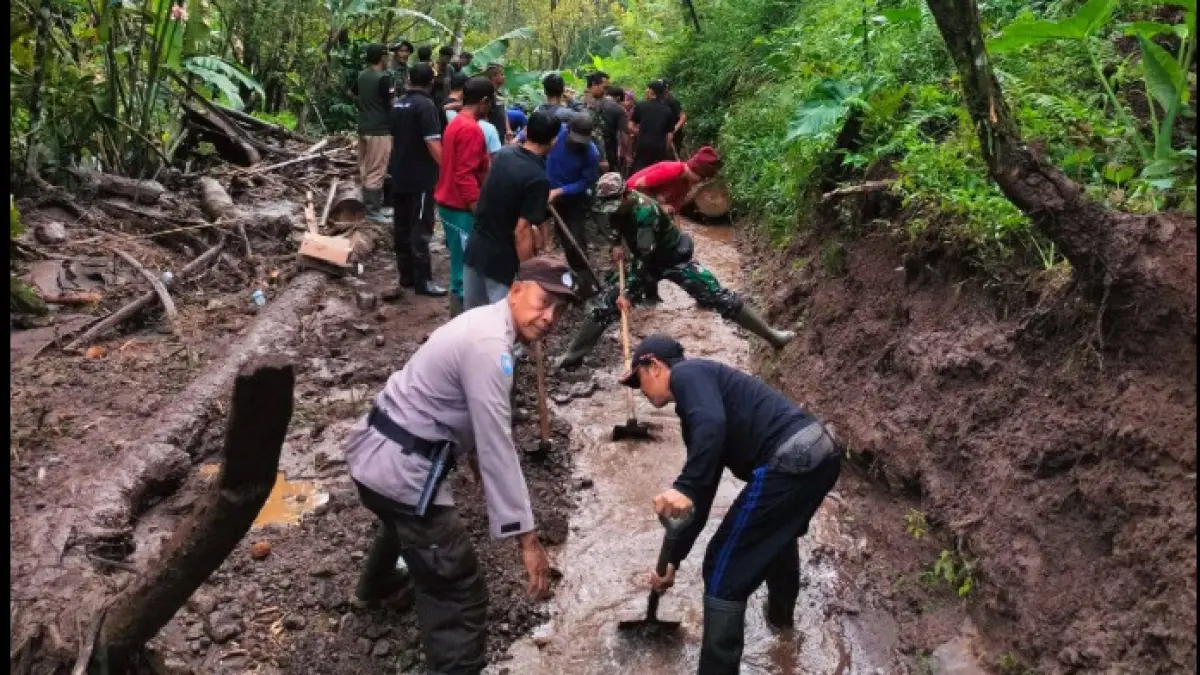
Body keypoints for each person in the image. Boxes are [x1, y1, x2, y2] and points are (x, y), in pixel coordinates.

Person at [345, 256, 578, 675]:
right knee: (459, 591)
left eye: (558, 311)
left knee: (402, 517)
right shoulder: (491, 348)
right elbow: (497, 444)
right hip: (399, 468)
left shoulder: (485, 323)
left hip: (372, 454)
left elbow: (463, 410)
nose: (549, 318)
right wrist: (528, 540)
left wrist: (471, 465)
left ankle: (375, 588)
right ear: (515, 289)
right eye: (544, 302)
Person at [618, 334, 841, 675]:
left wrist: (685, 485)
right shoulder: (706, 397)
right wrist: (673, 559)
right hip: (819, 452)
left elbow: (707, 445)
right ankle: (783, 628)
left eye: (639, 379)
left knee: (721, 566)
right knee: (776, 540)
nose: (640, 390)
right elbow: (702, 495)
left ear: (655, 366)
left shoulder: (688, 375)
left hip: (788, 458)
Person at [554, 173, 794, 369]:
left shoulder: (645, 212)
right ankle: (571, 358)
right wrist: (616, 244)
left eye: (615, 205)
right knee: (604, 307)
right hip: (644, 259)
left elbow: (644, 260)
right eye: (608, 207)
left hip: (671, 258)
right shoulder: (614, 207)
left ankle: (773, 337)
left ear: (626, 194)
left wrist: (626, 293)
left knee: (719, 297)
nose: (612, 210)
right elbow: (615, 225)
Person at [462, 111, 561, 310]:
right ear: (553, 141)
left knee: (473, 316)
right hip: (501, 261)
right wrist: (528, 275)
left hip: (476, 248)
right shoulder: (537, 178)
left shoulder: (505, 154)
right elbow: (521, 232)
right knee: (505, 322)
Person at [434, 76, 494, 317]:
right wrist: (477, 208)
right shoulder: (471, 130)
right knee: (464, 269)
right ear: (484, 101)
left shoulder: (457, 123)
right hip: (460, 208)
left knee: (462, 264)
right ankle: (461, 322)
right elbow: (465, 175)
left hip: (452, 204)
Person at [389, 63, 447, 298]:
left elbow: (392, 139)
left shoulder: (398, 104)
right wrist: (447, 168)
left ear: (410, 80)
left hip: (400, 173)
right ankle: (423, 281)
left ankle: (406, 276)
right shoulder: (426, 105)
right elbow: (432, 142)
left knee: (401, 225)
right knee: (421, 227)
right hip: (421, 176)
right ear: (430, 82)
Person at [545, 113, 603, 295]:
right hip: (543, 189)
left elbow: (586, 182)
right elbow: (529, 137)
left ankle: (585, 282)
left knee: (574, 240)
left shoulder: (591, 153)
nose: (578, 144)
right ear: (568, 130)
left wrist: (560, 191)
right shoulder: (555, 132)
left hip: (571, 200)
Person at [351, 44, 397, 224]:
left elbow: (351, 92)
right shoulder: (384, 78)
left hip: (363, 127)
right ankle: (372, 211)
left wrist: (365, 105)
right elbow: (392, 103)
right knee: (377, 169)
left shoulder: (362, 75)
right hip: (379, 129)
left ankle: (366, 206)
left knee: (365, 165)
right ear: (382, 57)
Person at [628, 145, 722, 220]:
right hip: (629, 198)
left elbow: (674, 212)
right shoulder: (672, 170)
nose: (700, 182)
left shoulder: (686, 185)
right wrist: (659, 206)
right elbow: (639, 184)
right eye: (702, 178)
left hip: (648, 205)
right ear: (695, 171)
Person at [629, 80, 678, 175]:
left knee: (640, 172)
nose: (646, 91)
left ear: (651, 91)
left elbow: (630, 126)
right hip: (659, 147)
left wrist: (640, 133)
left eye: (647, 88)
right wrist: (665, 149)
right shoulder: (667, 110)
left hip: (643, 145)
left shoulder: (641, 105)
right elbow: (669, 135)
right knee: (657, 172)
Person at [445, 72, 501, 155]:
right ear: (485, 101)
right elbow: (469, 167)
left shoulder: (455, 122)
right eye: (491, 103)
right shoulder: (472, 129)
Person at [580, 72, 613, 172]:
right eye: (604, 88)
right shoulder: (591, 104)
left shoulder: (579, 100)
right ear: (594, 84)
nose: (605, 92)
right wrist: (603, 158)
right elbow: (596, 133)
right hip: (589, 152)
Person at [598, 85, 629, 175]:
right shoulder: (619, 109)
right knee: (609, 173)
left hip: (593, 144)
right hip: (609, 145)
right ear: (619, 97)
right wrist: (627, 153)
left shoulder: (595, 103)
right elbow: (624, 133)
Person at [484, 64, 514, 143]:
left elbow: (503, 112)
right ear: (494, 76)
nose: (504, 77)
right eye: (502, 75)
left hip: (500, 134)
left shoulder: (499, 94)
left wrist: (508, 129)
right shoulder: (487, 94)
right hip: (491, 135)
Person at [664, 80, 687, 157]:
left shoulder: (672, 101)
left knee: (672, 157)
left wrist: (674, 129)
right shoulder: (660, 101)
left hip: (674, 136)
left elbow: (683, 117)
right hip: (664, 135)